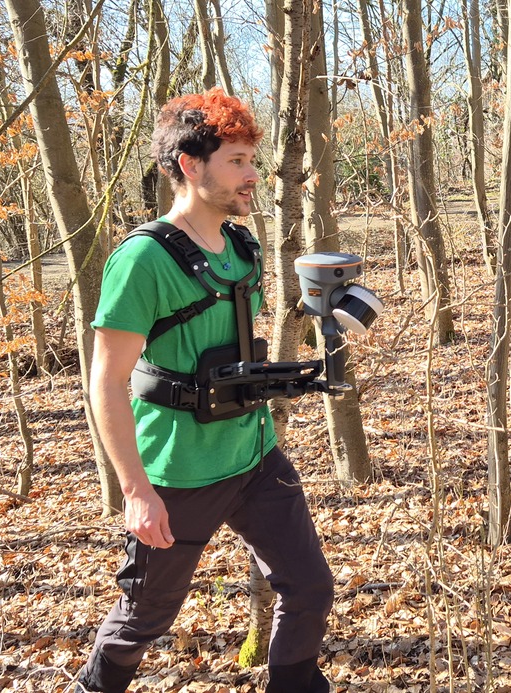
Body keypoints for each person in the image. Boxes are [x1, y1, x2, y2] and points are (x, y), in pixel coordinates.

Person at [71, 89, 334, 693]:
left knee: (310, 586)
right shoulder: (141, 260)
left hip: (255, 456)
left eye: (253, 161)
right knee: (145, 617)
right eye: (238, 160)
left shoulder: (243, 245)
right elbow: (106, 382)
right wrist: (136, 491)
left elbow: (236, 349)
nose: (253, 175)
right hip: (178, 473)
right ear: (191, 166)